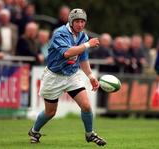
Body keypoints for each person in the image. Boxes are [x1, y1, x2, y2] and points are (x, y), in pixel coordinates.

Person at [28, 8, 107, 146]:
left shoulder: (83, 36)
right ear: (71, 21)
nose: (80, 25)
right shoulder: (60, 33)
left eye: (83, 21)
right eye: (77, 21)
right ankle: (34, 131)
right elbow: (67, 53)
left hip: (72, 75)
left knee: (87, 106)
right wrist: (88, 44)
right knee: (50, 112)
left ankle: (89, 134)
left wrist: (90, 76)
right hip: (54, 76)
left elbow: (83, 58)